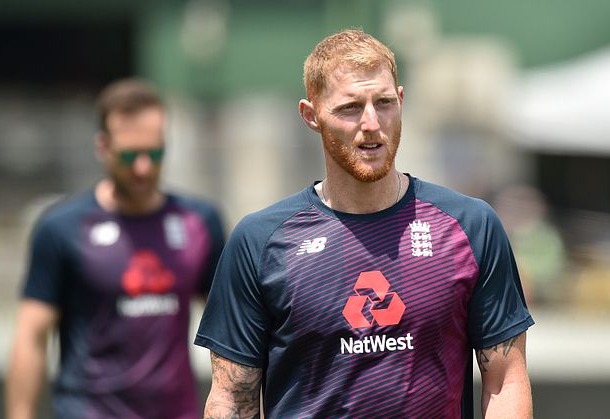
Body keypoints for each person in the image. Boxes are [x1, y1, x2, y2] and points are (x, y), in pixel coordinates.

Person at [195, 29, 534, 418]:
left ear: (402, 102)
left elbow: (505, 380)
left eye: (385, 103)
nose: (372, 123)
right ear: (311, 115)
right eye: (350, 107)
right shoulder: (260, 241)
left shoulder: (471, 226)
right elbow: (231, 398)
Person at [6, 78, 225, 419]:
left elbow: (228, 328)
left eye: (154, 153)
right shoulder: (62, 227)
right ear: (103, 146)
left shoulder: (199, 222)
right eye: (130, 155)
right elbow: (32, 335)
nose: (143, 167)